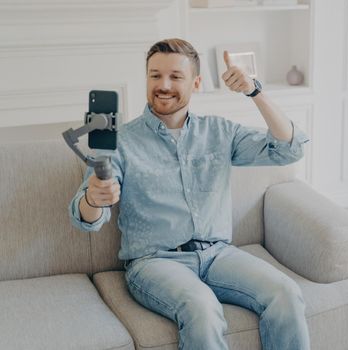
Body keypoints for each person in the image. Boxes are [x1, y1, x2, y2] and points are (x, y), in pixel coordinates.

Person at [69, 38, 310, 350]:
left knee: (285, 293)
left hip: (218, 255)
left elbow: (288, 149)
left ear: (196, 83)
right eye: (155, 75)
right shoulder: (120, 141)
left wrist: (255, 91)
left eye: (175, 76)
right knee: (202, 307)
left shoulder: (220, 132)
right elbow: (87, 218)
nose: (163, 85)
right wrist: (93, 198)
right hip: (155, 263)